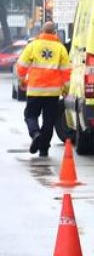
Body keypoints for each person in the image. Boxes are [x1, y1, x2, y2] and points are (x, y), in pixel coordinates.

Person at [16, 22, 71, 157]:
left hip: (35, 90)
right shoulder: (60, 48)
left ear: (41, 32)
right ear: (54, 33)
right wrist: (66, 89)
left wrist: (22, 81)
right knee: (49, 120)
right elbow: (66, 71)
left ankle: (35, 134)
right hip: (53, 92)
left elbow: (21, 66)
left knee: (30, 115)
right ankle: (44, 149)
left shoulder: (33, 46)